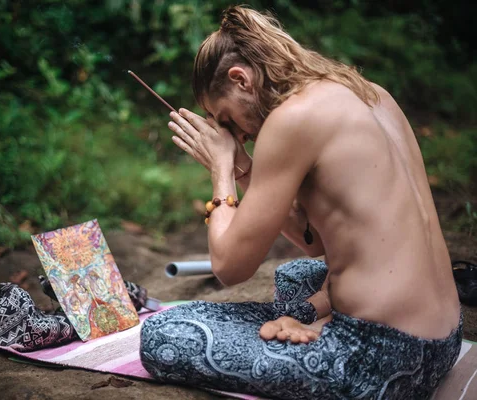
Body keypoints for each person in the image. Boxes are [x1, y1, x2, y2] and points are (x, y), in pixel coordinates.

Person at [139, 5, 462, 399]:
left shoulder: (289, 120)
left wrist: (221, 170)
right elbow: (320, 243)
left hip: (383, 360)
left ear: (241, 79)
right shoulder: (368, 92)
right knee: (296, 276)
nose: (236, 136)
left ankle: (329, 331)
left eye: (225, 120)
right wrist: (244, 168)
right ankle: (318, 319)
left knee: (165, 333)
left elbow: (230, 267)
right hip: (444, 339)